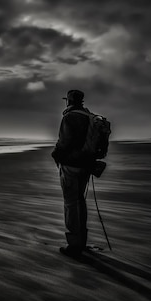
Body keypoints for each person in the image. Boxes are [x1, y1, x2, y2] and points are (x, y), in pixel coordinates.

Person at [51, 89, 95, 258]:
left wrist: (55, 154)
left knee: (70, 203)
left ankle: (74, 245)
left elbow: (64, 142)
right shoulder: (88, 115)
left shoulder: (69, 117)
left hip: (71, 165)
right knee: (79, 201)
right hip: (86, 164)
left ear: (68, 100)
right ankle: (81, 241)